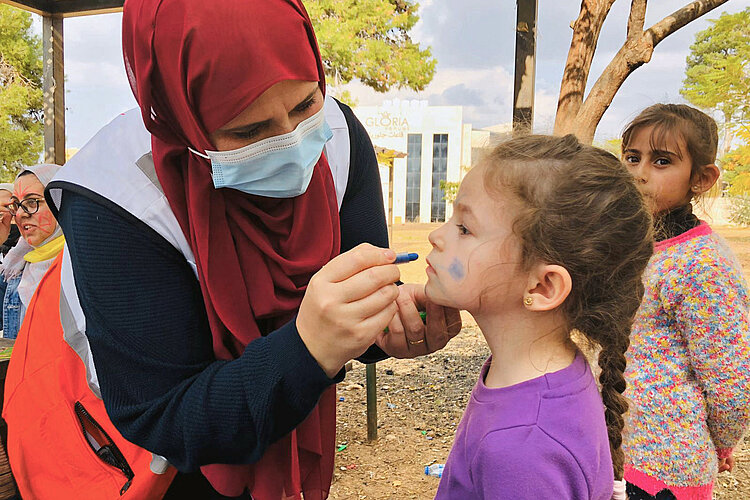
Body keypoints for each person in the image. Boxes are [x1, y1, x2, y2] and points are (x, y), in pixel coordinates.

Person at [43, 1, 459, 499]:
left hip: (295, 434)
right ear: (182, 120)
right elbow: (161, 414)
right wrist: (307, 349)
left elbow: (346, 321)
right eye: (248, 132)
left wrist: (380, 328)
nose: (292, 145)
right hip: (167, 472)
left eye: (306, 105)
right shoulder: (118, 197)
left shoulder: (342, 138)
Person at [429, 135, 653, 499]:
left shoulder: (521, 450)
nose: (436, 236)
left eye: (465, 228)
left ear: (543, 287)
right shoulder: (544, 372)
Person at [620, 104, 750, 499]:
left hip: (665, 469)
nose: (639, 172)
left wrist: (724, 440)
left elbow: (731, 380)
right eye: (632, 157)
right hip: (613, 451)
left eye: (661, 161)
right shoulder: (629, 246)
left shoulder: (703, 263)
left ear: (701, 179)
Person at [0, 164, 63, 339]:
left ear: (60, 202)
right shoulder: (16, 268)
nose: (20, 214)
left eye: (32, 202)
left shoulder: (85, 262)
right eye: (16, 205)